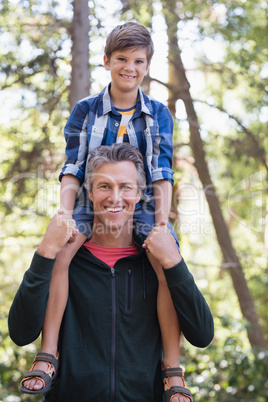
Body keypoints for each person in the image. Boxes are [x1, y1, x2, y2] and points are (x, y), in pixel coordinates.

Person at [19, 21, 193, 400]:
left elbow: (162, 172)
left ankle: (172, 368)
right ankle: (48, 353)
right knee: (63, 251)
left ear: (147, 66)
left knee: (168, 264)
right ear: (106, 61)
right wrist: (65, 217)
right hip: (89, 202)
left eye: (138, 61)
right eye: (121, 59)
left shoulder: (158, 113)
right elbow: (72, 168)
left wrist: (161, 225)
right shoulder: (85, 110)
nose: (129, 67)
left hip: (142, 205)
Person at [9, 143, 214, 401]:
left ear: (139, 193)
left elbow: (202, 335)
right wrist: (46, 250)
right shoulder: (67, 260)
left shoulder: (155, 264)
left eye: (126, 187)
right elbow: (20, 332)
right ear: (91, 193)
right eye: (105, 186)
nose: (115, 198)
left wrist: (174, 262)